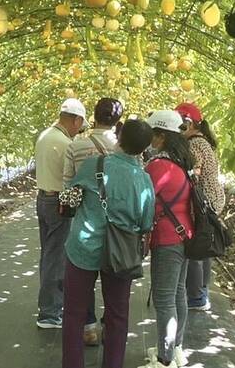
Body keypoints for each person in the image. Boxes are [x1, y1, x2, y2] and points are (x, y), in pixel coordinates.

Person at [62, 119, 155, 368]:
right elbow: (146, 223)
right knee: (117, 315)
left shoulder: (95, 163)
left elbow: (69, 195)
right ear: (145, 147)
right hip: (121, 253)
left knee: (74, 314)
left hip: (84, 245)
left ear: (120, 137)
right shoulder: (143, 179)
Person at [62, 97, 123, 346]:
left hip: (86, 224)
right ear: (119, 120)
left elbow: (67, 188)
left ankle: (88, 326)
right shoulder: (126, 148)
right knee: (115, 283)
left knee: (82, 278)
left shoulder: (76, 147)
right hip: (118, 226)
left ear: (94, 117)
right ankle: (111, 325)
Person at [141, 110, 195, 368]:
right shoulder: (182, 162)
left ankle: (164, 360)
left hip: (167, 238)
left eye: (152, 134)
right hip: (185, 234)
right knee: (178, 294)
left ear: (161, 136)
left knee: (164, 299)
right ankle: (176, 348)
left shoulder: (158, 165)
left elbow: (144, 201)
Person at [34, 98, 86, 328]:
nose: (79, 130)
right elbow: (76, 176)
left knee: (48, 253)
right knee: (56, 258)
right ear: (75, 120)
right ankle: (49, 313)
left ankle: (48, 305)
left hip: (43, 199)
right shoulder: (66, 143)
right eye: (79, 124)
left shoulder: (45, 136)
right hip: (59, 201)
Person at [175, 102, 225, 311]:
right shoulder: (202, 141)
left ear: (189, 124)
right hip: (212, 198)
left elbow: (193, 173)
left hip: (203, 199)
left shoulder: (194, 144)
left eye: (180, 124)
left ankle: (196, 296)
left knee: (195, 247)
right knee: (203, 245)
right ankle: (201, 291)